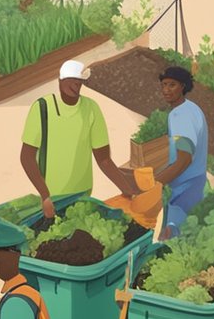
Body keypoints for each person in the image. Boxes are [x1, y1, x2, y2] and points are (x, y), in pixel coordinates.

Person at [20, 60, 139, 217]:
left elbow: (104, 159)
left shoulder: (91, 109)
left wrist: (127, 190)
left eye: (79, 81)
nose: (76, 85)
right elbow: (26, 157)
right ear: (60, 80)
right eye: (71, 80)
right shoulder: (42, 108)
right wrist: (45, 195)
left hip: (83, 197)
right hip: (53, 199)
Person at [155, 66, 208, 240]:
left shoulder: (180, 116)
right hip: (197, 181)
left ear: (183, 86)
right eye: (164, 85)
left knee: (172, 237)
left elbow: (184, 160)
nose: (166, 90)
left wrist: (155, 183)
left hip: (186, 187)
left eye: (172, 85)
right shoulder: (192, 108)